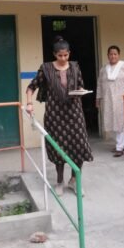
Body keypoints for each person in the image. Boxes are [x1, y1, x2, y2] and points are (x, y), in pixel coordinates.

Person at [26, 36, 94, 196]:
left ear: (69, 53)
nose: (63, 58)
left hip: (75, 113)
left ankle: (74, 180)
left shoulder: (75, 67)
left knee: (79, 146)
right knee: (58, 148)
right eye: (60, 56)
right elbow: (31, 87)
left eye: (66, 55)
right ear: (54, 54)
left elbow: (80, 85)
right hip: (55, 115)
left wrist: (81, 91)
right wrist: (29, 104)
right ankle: (59, 181)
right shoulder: (46, 68)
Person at [96, 45, 124, 157]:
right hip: (108, 100)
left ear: (119, 55)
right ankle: (121, 144)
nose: (113, 56)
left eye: (115, 54)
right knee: (111, 123)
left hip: (122, 99)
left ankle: (120, 147)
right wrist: (98, 98)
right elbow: (99, 84)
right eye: (111, 54)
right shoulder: (103, 69)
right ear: (107, 55)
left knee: (121, 123)